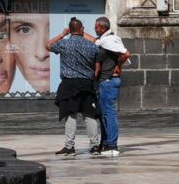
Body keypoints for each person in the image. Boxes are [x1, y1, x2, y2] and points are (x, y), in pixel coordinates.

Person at [44, 18, 101, 157]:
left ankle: (69, 147)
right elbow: (97, 64)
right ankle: (94, 146)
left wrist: (63, 34)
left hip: (69, 84)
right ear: (81, 29)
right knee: (89, 115)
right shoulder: (92, 46)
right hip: (87, 83)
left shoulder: (64, 44)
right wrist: (92, 78)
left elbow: (48, 45)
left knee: (71, 115)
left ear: (70, 30)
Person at [92, 16, 131, 157]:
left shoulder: (109, 41)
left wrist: (118, 67)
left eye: (96, 27)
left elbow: (126, 53)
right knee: (104, 114)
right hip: (105, 83)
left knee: (110, 113)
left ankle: (112, 145)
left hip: (109, 82)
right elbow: (94, 41)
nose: (95, 29)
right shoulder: (105, 41)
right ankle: (106, 142)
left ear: (103, 28)